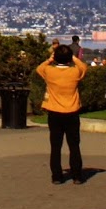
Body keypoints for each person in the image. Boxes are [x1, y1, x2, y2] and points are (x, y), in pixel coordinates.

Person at [37, 42, 88, 184]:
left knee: (55, 146)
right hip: (72, 112)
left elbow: (39, 68)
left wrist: (50, 59)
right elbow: (84, 67)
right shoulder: (75, 72)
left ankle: (57, 176)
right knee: (74, 145)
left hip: (54, 112)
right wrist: (74, 58)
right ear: (69, 58)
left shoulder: (49, 72)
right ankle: (77, 175)